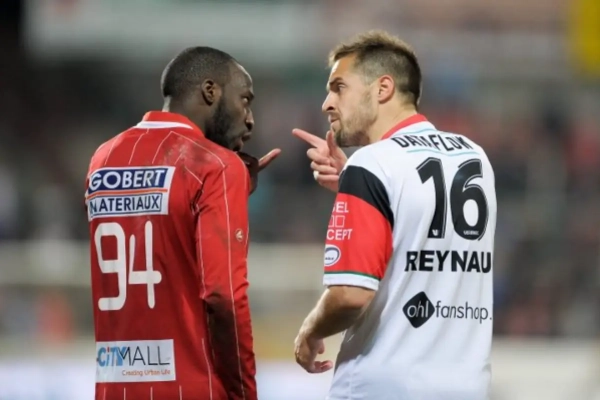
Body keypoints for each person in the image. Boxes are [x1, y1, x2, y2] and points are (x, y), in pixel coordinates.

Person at [293, 30, 496, 400]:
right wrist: (353, 184)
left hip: (384, 385)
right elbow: (423, 232)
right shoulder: (474, 158)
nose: (327, 104)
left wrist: (311, 329)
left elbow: (350, 295)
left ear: (382, 88)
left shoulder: (373, 164)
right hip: (466, 386)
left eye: (339, 88)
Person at [85, 46, 279, 400]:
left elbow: (157, 231)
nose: (250, 119)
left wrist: (228, 198)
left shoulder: (103, 157)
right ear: (210, 91)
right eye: (245, 100)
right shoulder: (216, 166)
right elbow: (224, 295)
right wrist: (244, 392)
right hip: (191, 387)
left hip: (115, 387)